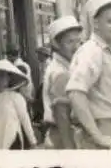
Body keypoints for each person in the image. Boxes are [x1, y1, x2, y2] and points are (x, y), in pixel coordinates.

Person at [66, 0, 111, 149]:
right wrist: (97, 135)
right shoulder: (92, 51)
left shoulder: (106, 51)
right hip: (103, 128)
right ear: (96, 23)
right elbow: (75, 93)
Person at [42, 16, 83, 149]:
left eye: (78, 41)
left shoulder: (67, 67)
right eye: (70, 42)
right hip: (64, 137)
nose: (76, 47)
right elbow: (62, 116)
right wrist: (69, 151)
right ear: (56, 44)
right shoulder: (61, 73)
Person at [0, 59, 38, 149]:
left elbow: (25, 119)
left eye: (3, 76)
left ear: (9, 79)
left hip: (12, 140)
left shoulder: (16, 97)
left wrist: (33, 141)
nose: (0, 79)